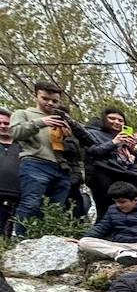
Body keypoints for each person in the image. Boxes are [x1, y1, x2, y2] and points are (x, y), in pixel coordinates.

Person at [10, 82, 84, 234]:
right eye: (45, 98)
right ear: (35, 96)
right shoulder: (23, 113)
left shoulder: (62, 118)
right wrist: (41, 122)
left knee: (56, 209)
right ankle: (21, 240)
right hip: (35, 162)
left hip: (62, 167)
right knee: (31, 203)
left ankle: (47, 239)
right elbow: (14, 133)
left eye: (55, 101)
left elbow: (77, 151)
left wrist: (68, 138)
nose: (50, 103)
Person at [0, 108, 21, 237]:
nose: (3, 126)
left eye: (6, 123)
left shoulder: (24, 145)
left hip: (20, 196)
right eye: (0, 123)